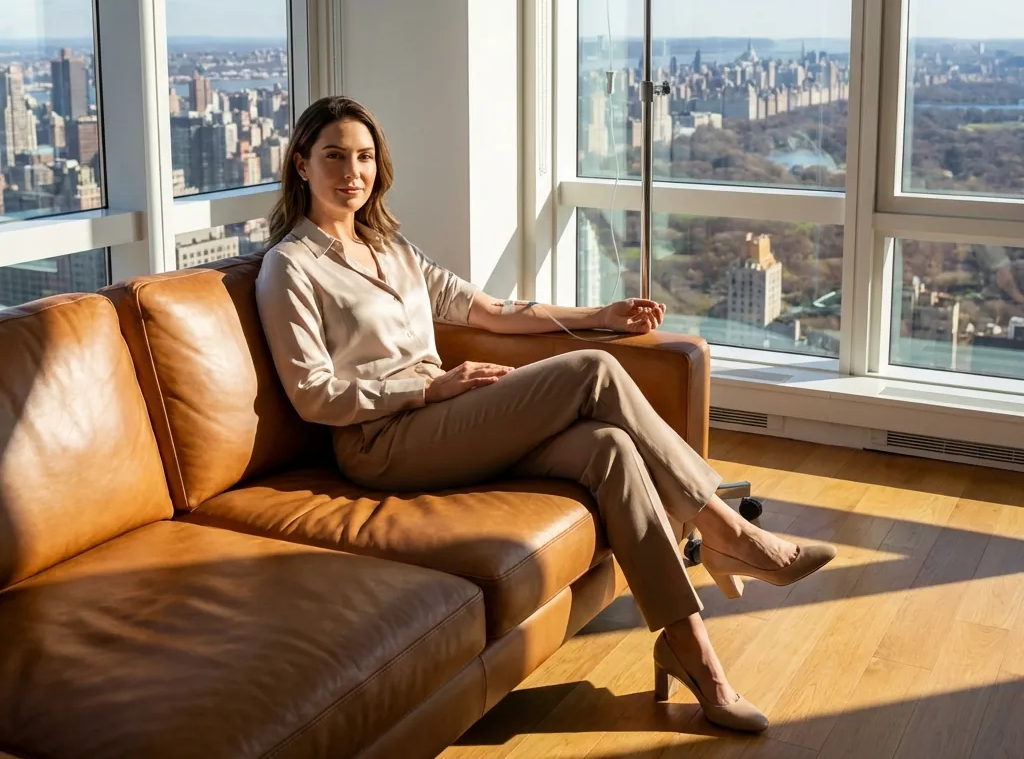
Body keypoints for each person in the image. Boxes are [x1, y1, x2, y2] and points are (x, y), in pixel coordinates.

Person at [256, 96, 836, 734]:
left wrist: (599, 316)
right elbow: (313, 393)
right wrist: (429, 391)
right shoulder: (290, 267)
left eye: (363, 156)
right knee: (591, 370)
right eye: (334, 156)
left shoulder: (390, 247)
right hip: (383, 441)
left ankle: (695, 655)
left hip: (446, 415)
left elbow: (493, 312)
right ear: (302, 165)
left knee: (608, 449)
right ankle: (733, 536)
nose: (352, 172)